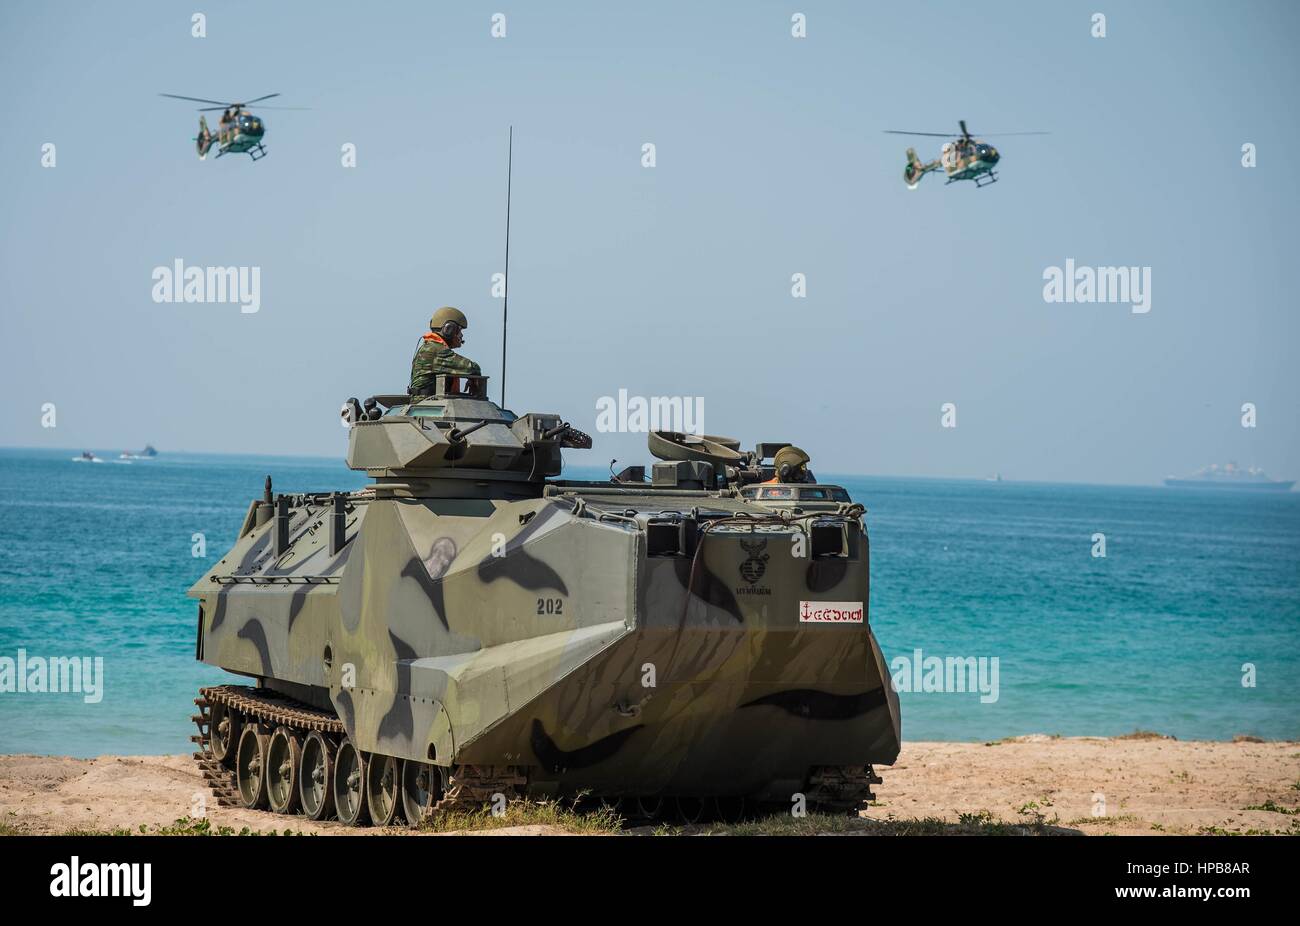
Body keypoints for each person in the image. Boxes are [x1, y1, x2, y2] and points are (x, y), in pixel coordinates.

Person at [408, 306, 481, 396]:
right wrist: (473, 378)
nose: (461, 335)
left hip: (426, 403)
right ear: (449, 329)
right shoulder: (437, 351)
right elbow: (472, 368)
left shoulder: (429, 347)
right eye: (459, 330)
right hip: (430, 404)